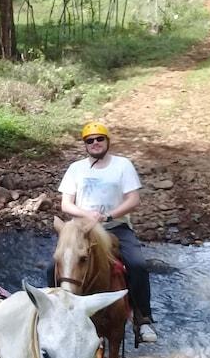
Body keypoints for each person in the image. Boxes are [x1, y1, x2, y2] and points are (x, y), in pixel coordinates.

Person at [57, 121, 158, 343]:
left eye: (99, 139)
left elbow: (133, 199)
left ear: (107, 141)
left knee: (138, 265)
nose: (95, 143)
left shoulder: (123, 165)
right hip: (82, 229)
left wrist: (108, 215)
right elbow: (66, 204)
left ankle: (143, 320)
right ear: (85, 145)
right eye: (89, 141)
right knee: (53, 267)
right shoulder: (76, 169)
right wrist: (86, 215)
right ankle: (56, 315)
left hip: (116, 226)